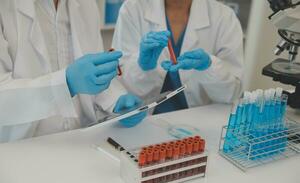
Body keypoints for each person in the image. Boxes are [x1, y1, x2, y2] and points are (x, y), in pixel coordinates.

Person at [0, 0, 146, 143]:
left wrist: (115, 100)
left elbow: (92, 74)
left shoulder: (86, 4)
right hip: (22, 148)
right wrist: (65, 84)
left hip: (80, 141)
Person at [112, 0, 244, 114]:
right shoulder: (132, 9)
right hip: (143, 121)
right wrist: (143, 66)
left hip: (200, 123)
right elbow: (122, 91)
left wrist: (209, 67)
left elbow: (231, 94)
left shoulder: (224, 17)